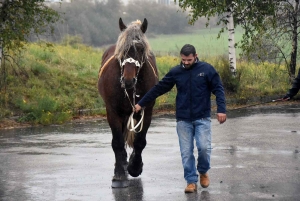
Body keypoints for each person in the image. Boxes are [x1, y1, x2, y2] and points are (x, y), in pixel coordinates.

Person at [134, 44, 226, 193]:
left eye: (189, 60)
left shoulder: (207, 69)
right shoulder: (176, 72)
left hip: (202, 117)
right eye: (183, 59)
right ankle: (191, 181)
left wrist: (221, 109)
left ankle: (203, 171)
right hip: (183, 119)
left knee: (203, 147)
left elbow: (219, 89)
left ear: (195, 56)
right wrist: (141, 104)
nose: (186, 62)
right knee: (186, 152)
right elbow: (159, 88)